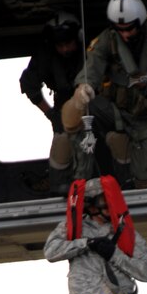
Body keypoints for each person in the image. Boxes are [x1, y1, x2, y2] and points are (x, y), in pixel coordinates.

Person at [62, 0, 147, 189]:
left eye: (129, 28)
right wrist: (84, 89)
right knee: (80, 111)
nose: (125, 34)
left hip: (146, 115)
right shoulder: (106, 41)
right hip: (114, 110)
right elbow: (92, 68)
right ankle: (81, 181)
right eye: (119, 29)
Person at [20, 12, 84, 194]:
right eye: (60, 45)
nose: (65, 49)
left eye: (68, 44)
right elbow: (28, 83)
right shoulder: (46, 57)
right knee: (62, 142)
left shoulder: (93, 51)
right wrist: (51, 114)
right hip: (64, 105)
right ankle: (59, 185)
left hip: (95, 103)